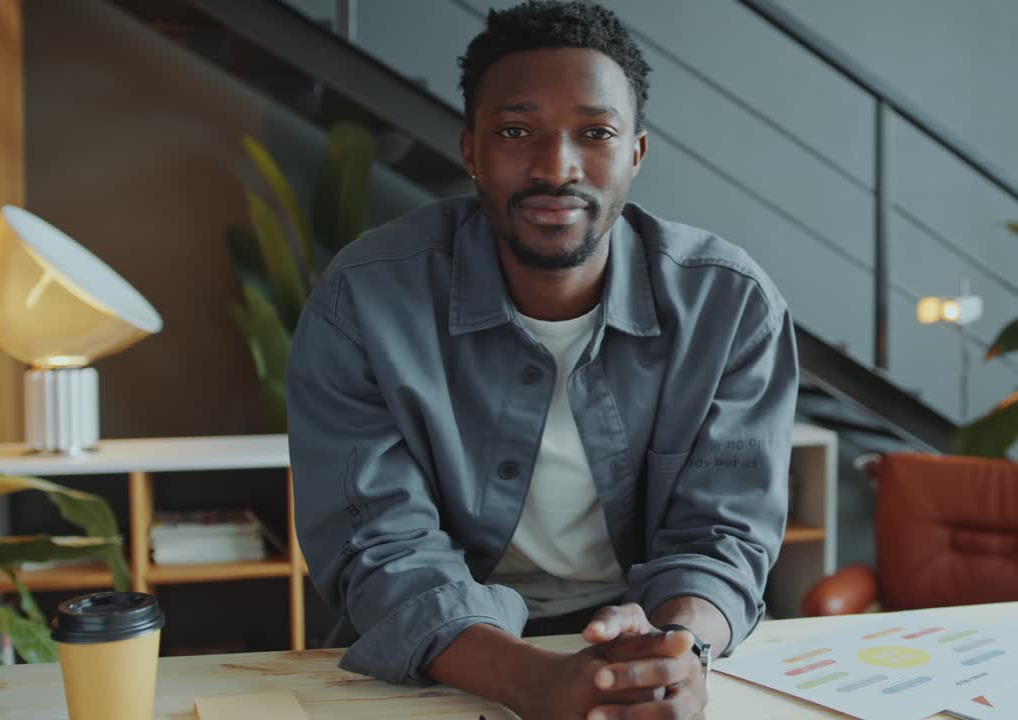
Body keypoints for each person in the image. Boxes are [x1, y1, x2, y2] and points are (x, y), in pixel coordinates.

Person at [286, 1, 799, 718]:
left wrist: (675, 650)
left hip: (648, 634)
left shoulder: (730, 305)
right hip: (447, 660)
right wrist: (531, 680)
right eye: (516, 131)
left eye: (595, 133)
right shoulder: (366, 300)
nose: (556, 168)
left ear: (636, 154)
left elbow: (724, 534)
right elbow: (381, 546)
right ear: (470, 150)